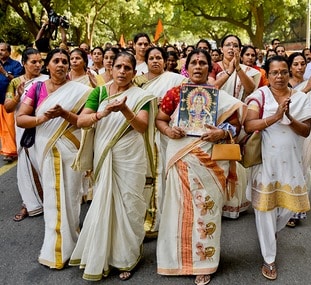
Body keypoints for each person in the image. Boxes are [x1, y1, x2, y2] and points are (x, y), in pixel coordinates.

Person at [156, 49, 246, 285]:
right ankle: (175, 260)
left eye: (203, 63)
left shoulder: (219, 97)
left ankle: (204, 264)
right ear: (187, 67)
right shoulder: (175, 94)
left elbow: (236, 127)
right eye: (193, 62)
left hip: (210, 163)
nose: (198, 66)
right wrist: (168, 130)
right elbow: (160, 119)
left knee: (207, 212)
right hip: (180, 158)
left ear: (210, 67)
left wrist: (222, 132)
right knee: (177, 210)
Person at [69, 52, 156, 281]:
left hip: (130, 157)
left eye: (128, 68)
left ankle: (127, 258)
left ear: (134, 73)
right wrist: (102, 112)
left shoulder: (141, 96)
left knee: (129, 205)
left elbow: (142, 127)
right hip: (104, 156)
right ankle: (104, 254)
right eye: (118, 66)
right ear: (111, 68)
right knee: (104, 203)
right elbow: (81, 121)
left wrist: (125, 110)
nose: (122, 71)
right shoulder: (99, 92)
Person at [244, 56, 311, 280]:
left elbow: (305, 131)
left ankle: (270, 234)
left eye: (284, 72)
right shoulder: (259, 96)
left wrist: (288, 117)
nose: (280, 76)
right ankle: (269, 258)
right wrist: (275, 117)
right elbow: (249, 124)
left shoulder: (300, 98)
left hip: (291, 162)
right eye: (275, 72)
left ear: (289, 74)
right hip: (265, 161)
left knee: (287, 209)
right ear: (267, 74)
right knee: (264, 210)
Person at [16, 48, 92, 269]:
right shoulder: (37, 88)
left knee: (71, 197)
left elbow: (85, 121)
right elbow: (21, 119)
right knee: (52, 198)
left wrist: (65, 114)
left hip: (71, 150)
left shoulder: (81, 90)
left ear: (69, 66)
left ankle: (71, 243)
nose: (60, 64)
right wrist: (42, 118)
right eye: (56, 61)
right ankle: (56, 249)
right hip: (47, 148)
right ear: (47, 65)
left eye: (64, 61)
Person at [133, 46, 185, 237]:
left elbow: (186, 100)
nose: (155, 61)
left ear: (165, 61)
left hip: (165, 132)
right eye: (152, 58)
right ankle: (146, 218)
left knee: (163, 173)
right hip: (143, 132)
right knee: (146, 174)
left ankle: (162, 219)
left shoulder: (176, 80)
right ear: (146, 61)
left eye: (159, 58)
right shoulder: (137, 82)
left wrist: (166, 104)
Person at [5, 48, 48, 221]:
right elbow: (8, 107)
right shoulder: (16, 82)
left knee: (44, 163)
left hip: (44, 126)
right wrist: (18, 96)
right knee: (25, 166)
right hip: (24, 129)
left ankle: (50, 201)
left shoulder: (47, 80)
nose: (38, 65)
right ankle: (29, 204)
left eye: (40, 62)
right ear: (24, 63)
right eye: (33, 62)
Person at [286, 52, 311, 227]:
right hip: (287, 130)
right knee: (288, 168)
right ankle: (284, 208)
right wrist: (307, 88)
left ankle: (297, 210)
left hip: (306, 132)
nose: (300, 67)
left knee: (303, 167)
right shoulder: (284, 85)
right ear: (290, 67)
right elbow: (288, 103)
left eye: (303, 64)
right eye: (296, 64)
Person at [214, 35, 260, 101]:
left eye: (235, 46)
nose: (231, 47)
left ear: (240, 50)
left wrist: (238, 67)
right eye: (228, 45)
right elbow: (211, 89)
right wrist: (229, 72)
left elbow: (250, 89)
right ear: (221, 49)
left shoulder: (246, 69)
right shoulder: (214, 67)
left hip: (239, 109)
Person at [0, 42, 23, 162]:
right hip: (0, 100)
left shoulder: (15, 65)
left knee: (10, 127)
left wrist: (3, 72)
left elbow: (18, 81)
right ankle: (8, 150)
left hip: (10, 101)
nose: (0, 52)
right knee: (3, 128)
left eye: (3, 50)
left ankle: (12, 151)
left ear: (9, 52)